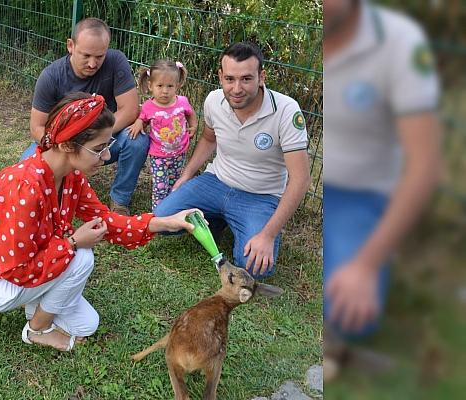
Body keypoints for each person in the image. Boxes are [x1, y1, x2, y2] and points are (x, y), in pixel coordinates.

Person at [0, 92, 196, 352]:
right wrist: (71, 243)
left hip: (24, 265)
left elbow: (106, 221)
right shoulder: (24, 187)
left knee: (86, 325)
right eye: (98, 149)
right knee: (82, 258)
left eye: (107, 146)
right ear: (67, 146)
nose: (106, 157)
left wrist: (165, 222)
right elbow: (17, 269)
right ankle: (36, 329)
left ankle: (13, 307)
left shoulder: (72, 176)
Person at [323, 0, 441, 370]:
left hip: (360, 197)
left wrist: (365, 265)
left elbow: (425, 163)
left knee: (350, 314)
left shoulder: (401, 42)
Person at [154, 42, 311, 279]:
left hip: (261, 196)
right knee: (162, 220)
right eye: (229, 79)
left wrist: (267, 236)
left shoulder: (287, 111)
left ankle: (225, 222)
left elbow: (300, 180)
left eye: (246, 79)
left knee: (254, 268)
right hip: (215, 181)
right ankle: (217, 220)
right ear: (220, 76)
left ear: (261, 77)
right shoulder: (213, 100)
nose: (236, 88)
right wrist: (186, 176)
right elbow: (208, 139)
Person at [20, 17, 148, 215]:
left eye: (99, 56)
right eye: (86, 55)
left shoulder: (116, 61)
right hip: (64, 144)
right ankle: (49, 202)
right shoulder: (51, 76)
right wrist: (68, 144)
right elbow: (37, 127)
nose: (92, 63)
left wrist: (94, 138)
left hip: (105, 143)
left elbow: (130, 110)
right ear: (70, 46)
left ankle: (120, 200)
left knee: (136, 140)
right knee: (26, 163)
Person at [128, 59, 197, 209]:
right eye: (160, 86)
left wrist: (193, 125)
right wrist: (139, 122)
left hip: (179, 153)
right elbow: (143, 118)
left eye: (170, 86)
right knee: (160, 186)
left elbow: (190, 113)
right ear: (150, 85)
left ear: (177, 85)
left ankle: (171, 208)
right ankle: (158, 212)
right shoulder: (148, 107)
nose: (165, 91)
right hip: (158, 156)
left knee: (174, 182)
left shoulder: (182, 102)